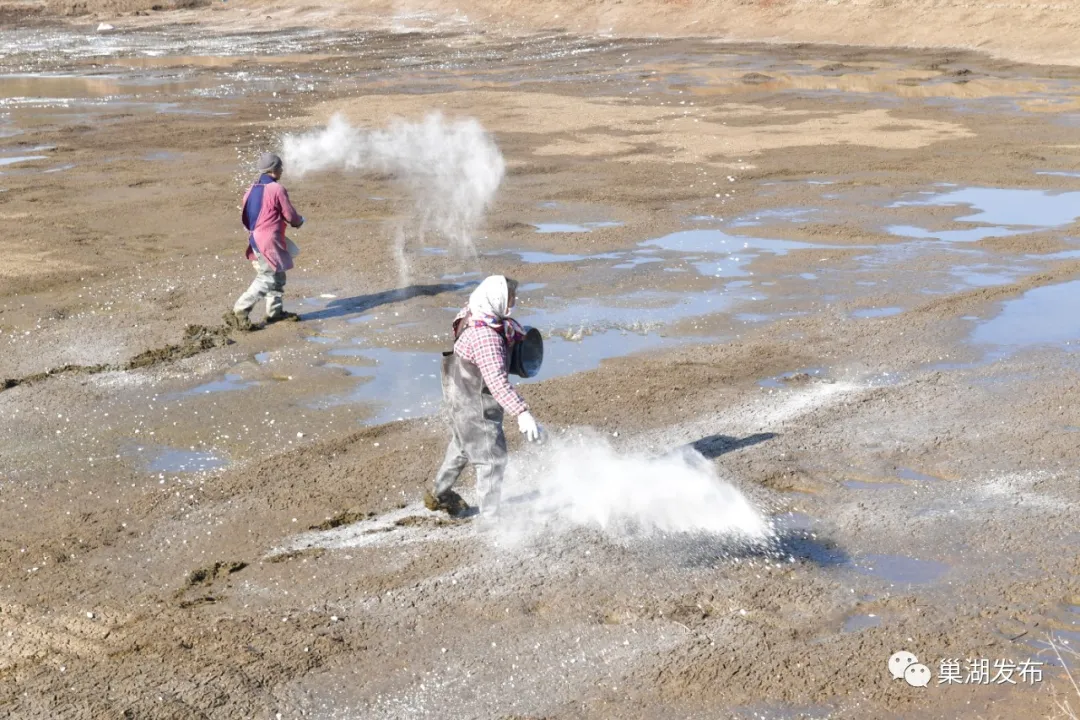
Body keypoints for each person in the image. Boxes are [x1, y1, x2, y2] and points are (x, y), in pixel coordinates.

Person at [425, 275, 542, 519]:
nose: (514, 302)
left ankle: (439, 493)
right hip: (476, 405)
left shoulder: (472, 313)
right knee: (491, 459)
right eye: (510, 297)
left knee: (462, 445)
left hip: (457, 397)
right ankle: (490, 518)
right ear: (496, 299)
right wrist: (522, 413)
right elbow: (497, 382)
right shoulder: (487, 337)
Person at [225, 152, 305, 331]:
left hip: (256, 238)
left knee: (278, 274)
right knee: (268, 277)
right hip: (269, 240)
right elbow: (291, 216)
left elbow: (248, 218)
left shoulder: (250, 190)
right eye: (280, 167)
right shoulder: (277, 189)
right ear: (274, 169)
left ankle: (274, 312)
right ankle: (240, 310)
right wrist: (299, 221)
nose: (282, 170)